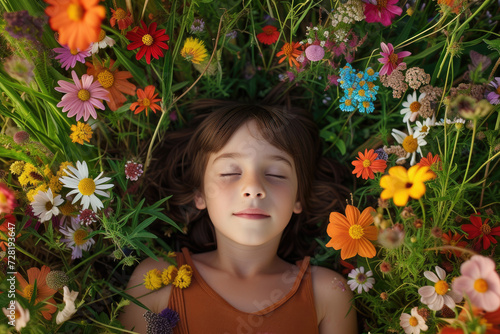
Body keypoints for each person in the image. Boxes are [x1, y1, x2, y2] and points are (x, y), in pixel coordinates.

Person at [119, 100, 357, 333]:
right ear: (200, 194)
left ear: (298, 198)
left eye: (276, 174)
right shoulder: (158, 280)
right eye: (230, 172)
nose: (253, 188)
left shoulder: (327, 292)